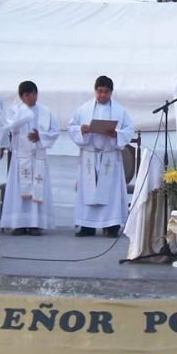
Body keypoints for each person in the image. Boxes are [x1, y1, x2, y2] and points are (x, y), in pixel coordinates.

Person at [68, 76, 135, 238]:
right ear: (95, 90)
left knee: (110, 192)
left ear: (111, 92)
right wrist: (81, 130)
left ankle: (111, 225)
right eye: (100, 91)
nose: (102, 95)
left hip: (109, 156)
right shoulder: (83, 109)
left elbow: (129, 130)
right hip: (90, 156)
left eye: (106, 92)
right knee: (88, 190)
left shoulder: (120, 111)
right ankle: (86, 225)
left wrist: (116, 134)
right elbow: (72, 126)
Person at [1, 81, 60, 236]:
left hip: (38, 157)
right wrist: (21, 119)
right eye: (27, 94)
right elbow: (8, 127)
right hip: (21, 158)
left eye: (33, 93)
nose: (30, 97)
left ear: (36, 94)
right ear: (21, 96)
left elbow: (55, 131)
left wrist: (40, 136)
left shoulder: (45, 112)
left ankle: (36, 223)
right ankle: (18, 223)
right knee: (18, 191)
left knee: (37, 189)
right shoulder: (15, 111)